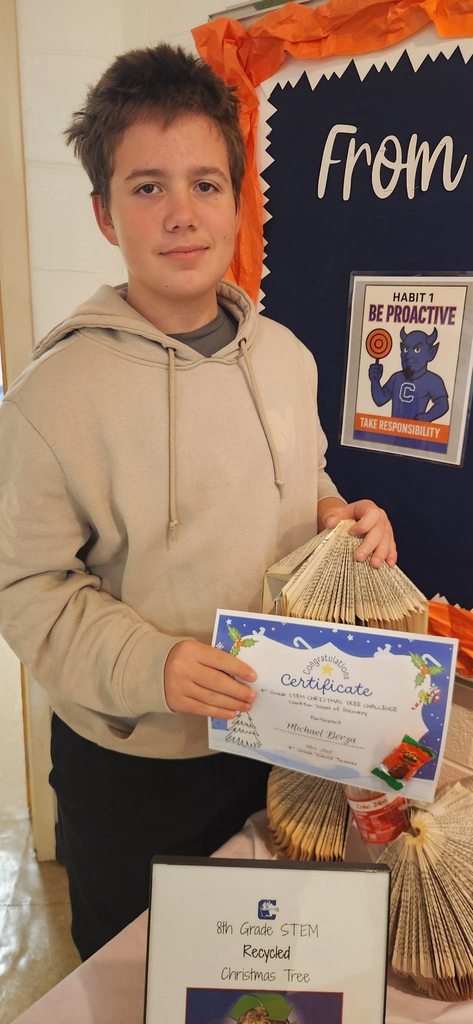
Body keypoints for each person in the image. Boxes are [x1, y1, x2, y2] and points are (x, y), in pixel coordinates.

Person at [0, 44, 396, 960]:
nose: (182, 215)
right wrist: (155, 664)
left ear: (237, 200)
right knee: (142, 979)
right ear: (103, 214)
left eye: (205, 184)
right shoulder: (50, 398)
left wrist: (340, 519)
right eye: (146, 188)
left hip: (288, 741)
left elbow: (307, 483)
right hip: (136, 765)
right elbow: (27, 590)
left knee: (270, 968)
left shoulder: (287, 355)